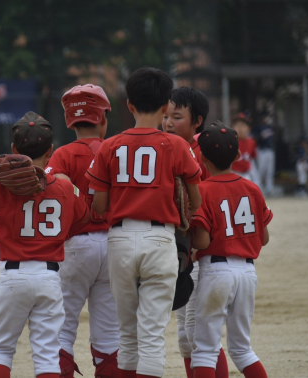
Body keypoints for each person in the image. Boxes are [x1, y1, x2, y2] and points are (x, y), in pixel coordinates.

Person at [0, 111, 90, 378]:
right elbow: (82, 220)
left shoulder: (2, 187)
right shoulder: (63, 187)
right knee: (47, 354)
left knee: (1, 350)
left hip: (13, 275)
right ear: (51, 150)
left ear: (13, 149)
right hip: (49, 276)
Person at [87, 67, 202, 378]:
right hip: (160, 239)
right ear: (167, 106)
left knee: (127, 335)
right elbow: (196, 199)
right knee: (151, 337)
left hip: (120, 238)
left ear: (129, 105)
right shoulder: (177, 145)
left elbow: (98, 205)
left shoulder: (109, 145)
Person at [45, 84, 120, 378]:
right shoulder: (114, 149)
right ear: (102, 118)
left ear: (69, 121)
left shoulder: (62, 155)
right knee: (109, 337)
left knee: (62, 331)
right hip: (114, 244)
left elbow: (49, 192)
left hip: (75, 247)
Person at [190, 122, 273, 378]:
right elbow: (264, 238)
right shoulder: (252, 188)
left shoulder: (202, 190)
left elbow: (202, 242)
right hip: (248, 273)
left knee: (204, 349)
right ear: (238, 156)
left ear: (201, 158)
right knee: (243, 350)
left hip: (216, 271)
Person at [162, 87, 228, 378]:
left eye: (176, 117)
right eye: (165, 116)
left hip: (202, 252)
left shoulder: (206, 149)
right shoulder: (162, 146)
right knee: (185, 338)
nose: (167, 122)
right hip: (179, 252)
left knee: (200, 335)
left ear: (197, 121)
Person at [231, 113, 257, 181]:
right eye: (238, 125)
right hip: (233, 173)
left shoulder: (252, 142)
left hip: (246, 174)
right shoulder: (230, 141)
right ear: (233, 128)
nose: (240, 128)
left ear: (248, 128)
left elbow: (252, 158)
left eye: (243, 126)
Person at [255, 111, 276, 195]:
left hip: (270, 151)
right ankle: (259, 188)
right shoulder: (259, 128)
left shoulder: (270, 127)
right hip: (262, 151)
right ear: (261, 118)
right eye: (265, 117)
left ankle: (269, 188)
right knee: (261, 170)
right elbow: (256, 139)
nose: (267, 119)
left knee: (270, 171)